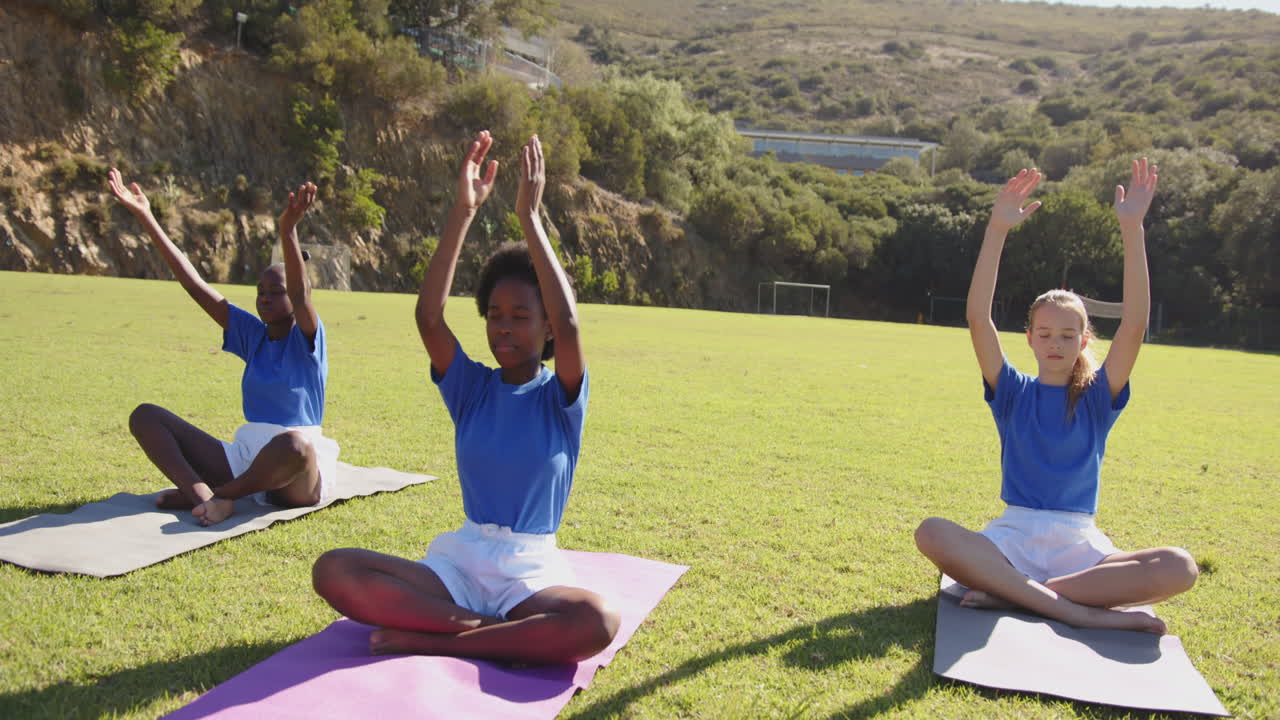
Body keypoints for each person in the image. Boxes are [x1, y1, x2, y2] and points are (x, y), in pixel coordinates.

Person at [311, 132, 619, 664]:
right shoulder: (472, 388)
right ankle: (485, 633)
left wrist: (529, 216)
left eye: (521, 317)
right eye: (494, 316)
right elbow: (428, 317)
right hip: (461, 564)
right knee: (334, 570)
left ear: (546, 330)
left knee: (598, 621)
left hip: (529, 572)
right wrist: (463, 210)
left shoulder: (562, 398)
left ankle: (428, 638)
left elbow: (571, 322)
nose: (503, 329)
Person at [914, 159, 1198, 634]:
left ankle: (1017, 594)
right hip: (1011, 540)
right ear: (1029, 338)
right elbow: (978, 320)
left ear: (1084, 341)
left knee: (1179, 566)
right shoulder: (1011, 393)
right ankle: (1073, 612)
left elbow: (1134, 326)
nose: (1056, 343)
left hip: (1079, 548)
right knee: (931, 532)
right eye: (1045, 333)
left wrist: (1132, 228)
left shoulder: (1097, 397)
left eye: (1068, 335)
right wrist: (996, 229)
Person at [109, 169, 339, 526]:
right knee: (146, 416)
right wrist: (146, 216)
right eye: (260, 292)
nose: (264, 299)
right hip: (245, 459)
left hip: (294, 471)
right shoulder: (253, 334)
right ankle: (201, 495)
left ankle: (224, 495)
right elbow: (193, 282)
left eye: (274, 293)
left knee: (293, 445)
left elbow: (299, 293)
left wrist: (287, 230)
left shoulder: (308, 337)